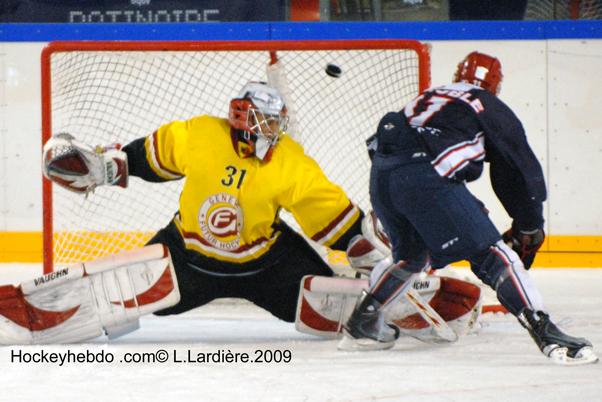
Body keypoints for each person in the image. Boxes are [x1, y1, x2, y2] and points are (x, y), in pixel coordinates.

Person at [339, 52, 598, 365]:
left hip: (383, 177)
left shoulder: (430, 95)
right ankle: (546, 331)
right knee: (492, 254)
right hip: (424, 178)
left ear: (458, 72)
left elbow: (383, 144)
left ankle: (363, 322)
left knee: (411, 257)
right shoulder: (486, 103)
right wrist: (529, 224)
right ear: (495, 84)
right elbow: (518, 167)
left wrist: (430, 203)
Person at [42, 81, 364, 325]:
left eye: (275, 122)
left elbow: (327, 213)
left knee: (333, 310)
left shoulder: (289, 159)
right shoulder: (201, 134)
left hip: (267, 266)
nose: (273, 130)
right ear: (242, 116)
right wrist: (110, 167)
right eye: (266, 121)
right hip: (187, 260)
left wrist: (363, 242)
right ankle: (56, 309)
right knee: (135, 300)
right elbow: (151, 158)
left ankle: (383, 307)